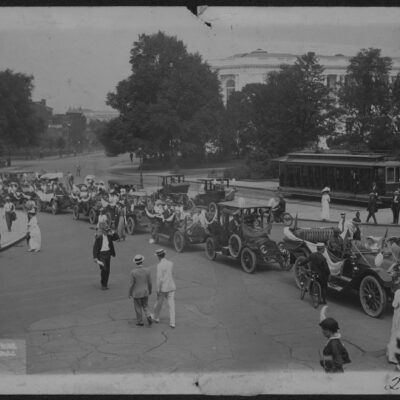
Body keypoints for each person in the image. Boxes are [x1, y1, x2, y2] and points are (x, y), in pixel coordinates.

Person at [319, 306, 351, 373]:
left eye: (324, 330)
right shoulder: (333, 338)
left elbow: (338, 362)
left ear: (329, 331)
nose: (322, 331)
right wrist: (324, 362)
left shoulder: (334, 344)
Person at [151, 249, 176, 328]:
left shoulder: (159, 265)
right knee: (171, 305)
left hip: (163, 288)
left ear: (158, 256)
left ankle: (156, 317)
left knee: (158, 304)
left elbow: (159, 278)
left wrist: (158, 289)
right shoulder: (170, 263)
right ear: (164, 255)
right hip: (171, 286)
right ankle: (172, 323)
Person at [92, 222, 119, 290]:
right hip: (101, 255)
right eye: (106, 230)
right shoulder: (99, 238)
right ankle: (103, 284)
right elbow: (95, 248)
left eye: (107, 230)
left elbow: (117, 237)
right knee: (104, 269)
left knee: (108, 271)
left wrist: (112, 232)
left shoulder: (109, 236)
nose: (107, 231)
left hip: (108, 254)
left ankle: (105, 284)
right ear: (103, 231)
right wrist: (95, 257)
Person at [128, 254, 153, 326]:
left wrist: (129, 292)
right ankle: (148, 315)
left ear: (135, 263)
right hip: (145, 291)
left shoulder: (133, 272)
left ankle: (140, 321)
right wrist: (150, 290)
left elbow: (131, 284)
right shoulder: (147, 270)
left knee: (138, 307)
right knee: (145, 305)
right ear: (142, 261)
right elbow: (150, 282)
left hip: (137, 293)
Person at [387, 287, 400, 368]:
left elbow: (394, 304)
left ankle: (391, 356)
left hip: (397, 316)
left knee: (394, 335)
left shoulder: (398, 292)